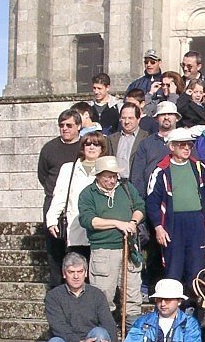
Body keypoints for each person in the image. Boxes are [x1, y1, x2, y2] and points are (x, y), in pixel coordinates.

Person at [146, 128, 205, 284]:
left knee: (196, 269)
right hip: (173, 224)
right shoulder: (161, 171)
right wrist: (158, 227)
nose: (187, 148)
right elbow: (152, 202)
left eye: (189, 145)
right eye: (182, 145)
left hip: (196, 222)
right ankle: (174, 305)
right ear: (172, 147)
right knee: (173, 268)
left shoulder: (199, 167)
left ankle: (194, 305)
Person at [78, 156, 146, 317]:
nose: (112, 180)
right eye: (108, 176)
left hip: (129, 248)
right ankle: (105, 332)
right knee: (103, 295)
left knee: (132, 295)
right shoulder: (88, 194)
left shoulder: (126, 187)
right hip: (104, 251)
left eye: (114, 176)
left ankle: (132, 333)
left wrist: (133, 222)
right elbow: (88, 220)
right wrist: (117, 223)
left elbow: (140, 206)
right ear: (98, 176)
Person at [38, 108, 83, 287]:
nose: (65, 129)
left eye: (69, 125)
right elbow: (42, 175)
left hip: (77, 205)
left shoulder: (84, 148)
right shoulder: (50, 148)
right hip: (53, 202)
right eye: (61, 125)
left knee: (76, 249)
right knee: (54, 251)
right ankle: (56, 291)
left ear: (79, 126)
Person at [46, 132, 106, 263]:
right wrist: (51, 220)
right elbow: (59, 196)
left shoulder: (107, 169)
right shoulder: (69, 169)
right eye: (87, 144)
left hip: (100, 232)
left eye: (96, 144)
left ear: (102, 149)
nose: (91, 147)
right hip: (75, 228)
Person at [130, 101, 179, 196]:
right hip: (152, 198)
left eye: (170, 114)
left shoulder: (185, 142)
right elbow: (137, 175)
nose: (166, 117)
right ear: (156, 119)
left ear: (176, 118)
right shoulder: (146, 143)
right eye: (162, 114)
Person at [107, 103, 149, 183]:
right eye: (123, 118)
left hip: (137, 184)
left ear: (138, 119)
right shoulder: (112, 139)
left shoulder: (146, 138)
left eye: (130, 118)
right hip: (115, 184)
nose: (126, 121)